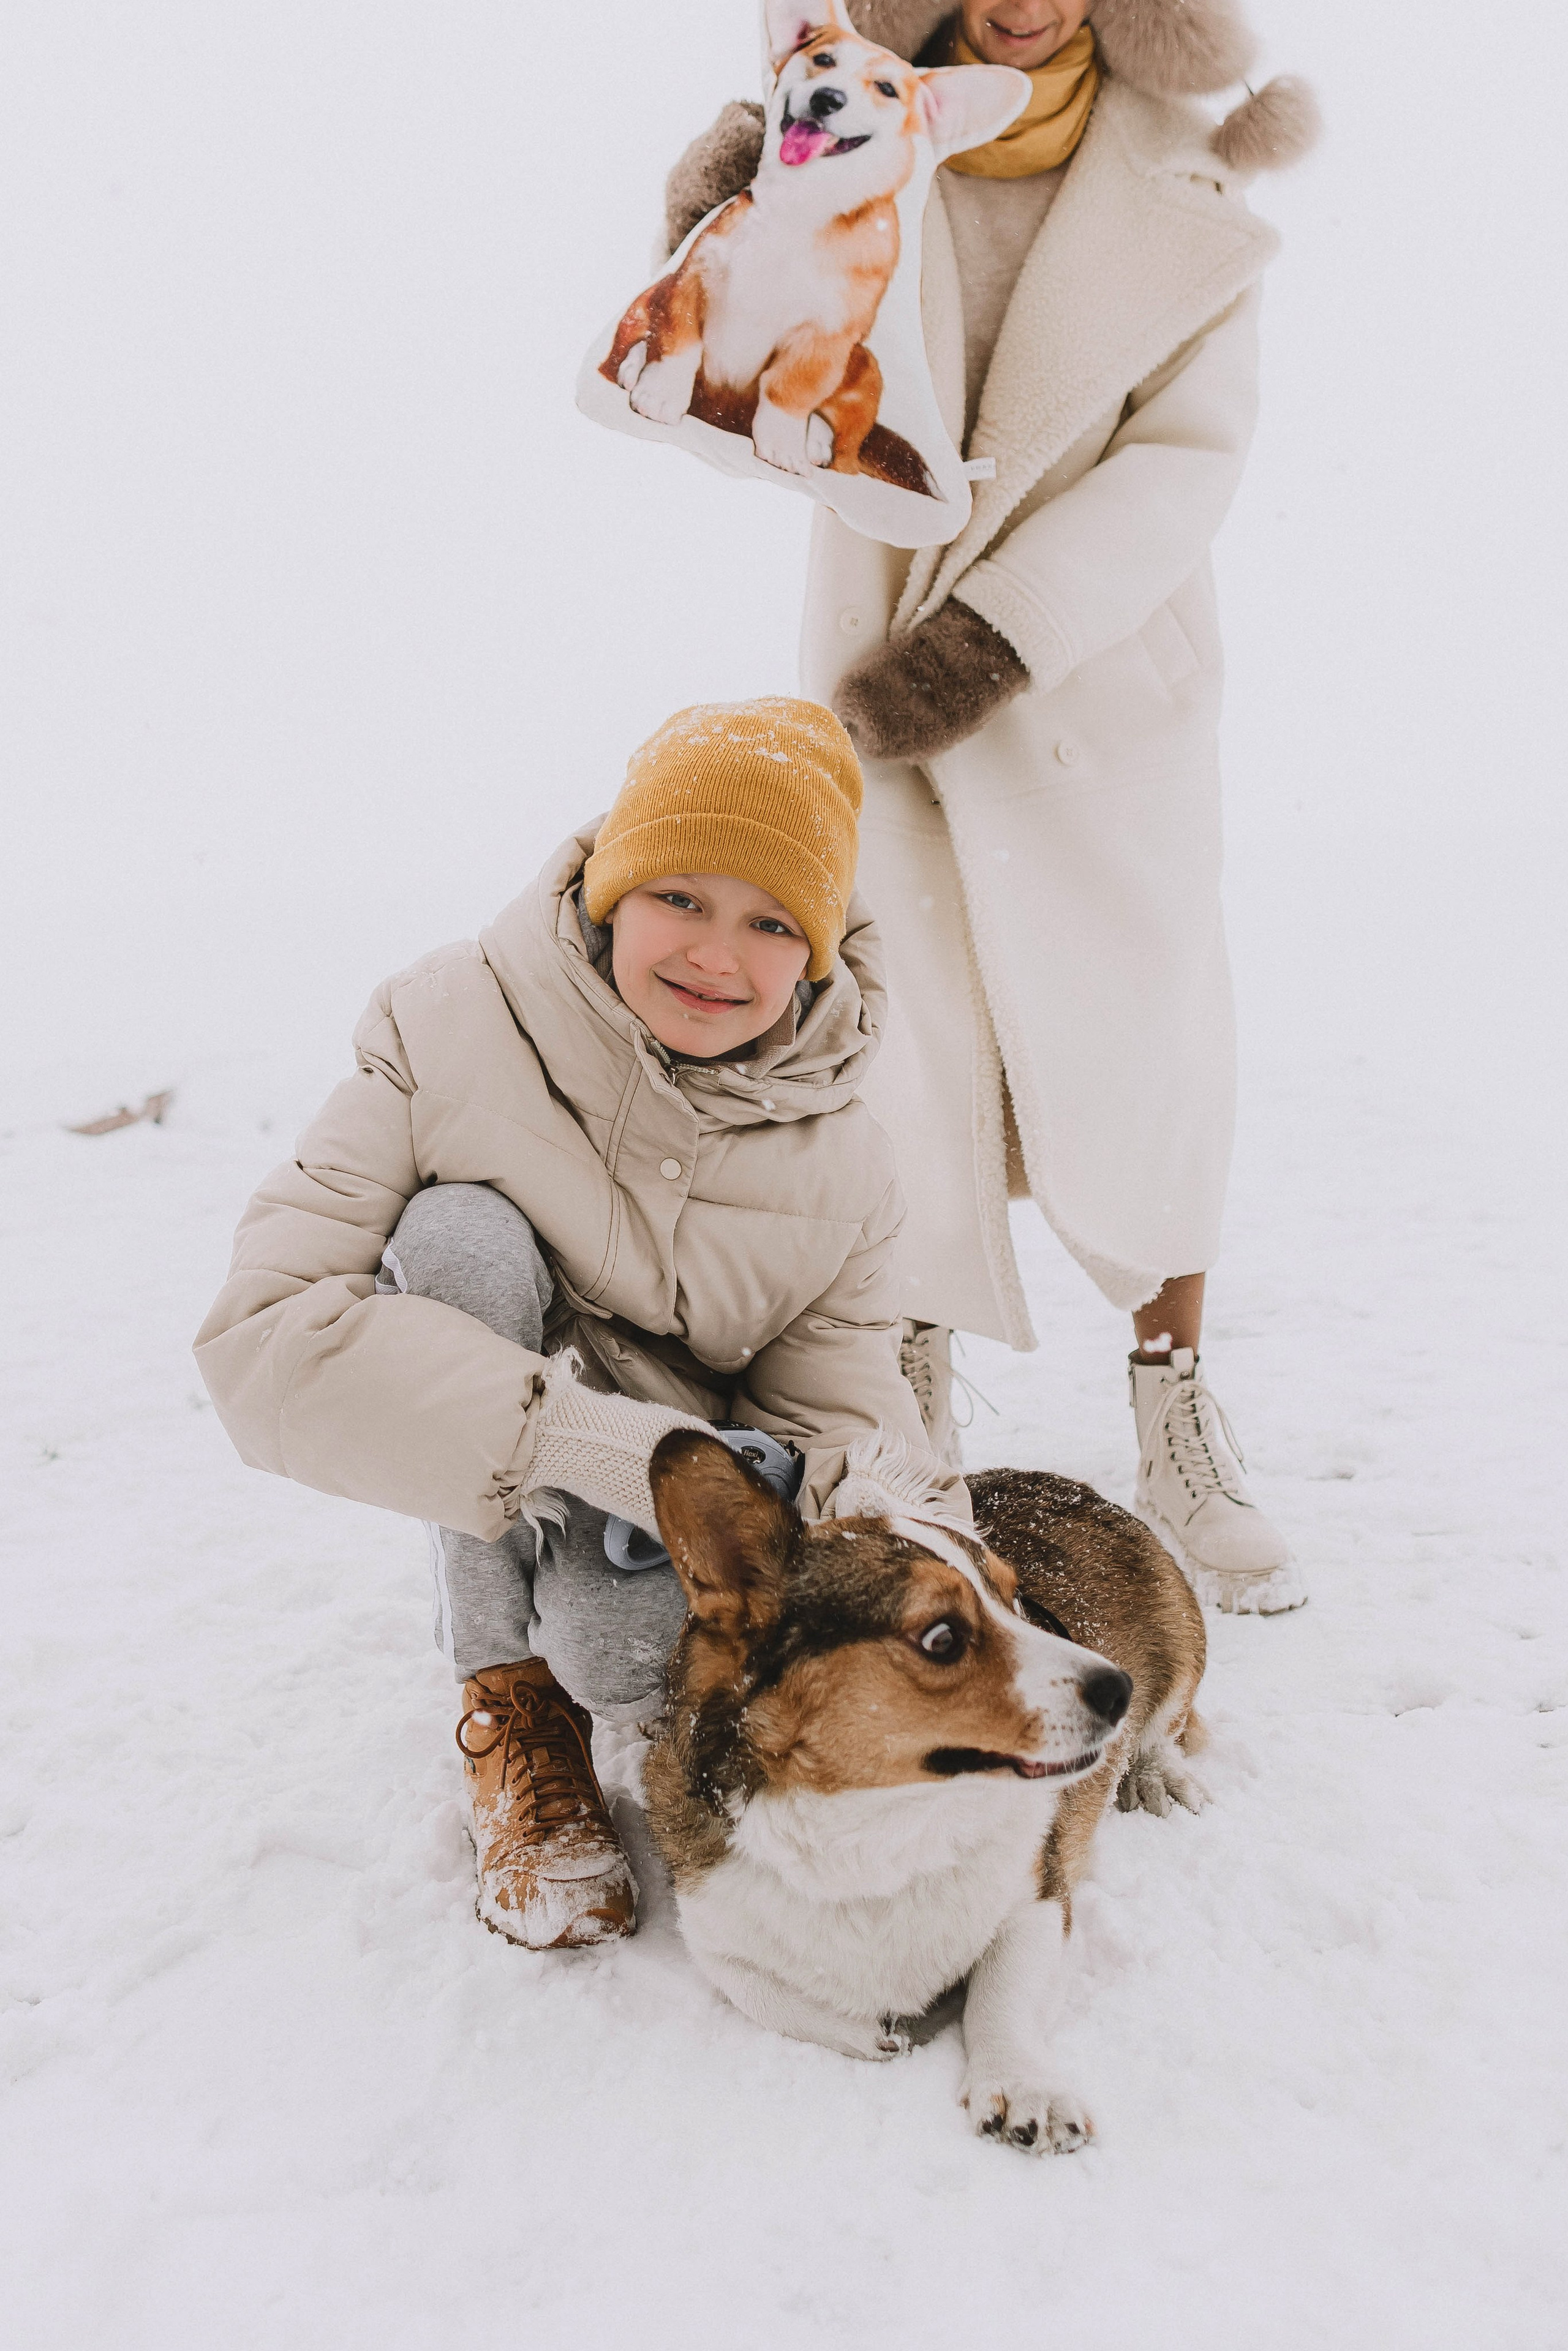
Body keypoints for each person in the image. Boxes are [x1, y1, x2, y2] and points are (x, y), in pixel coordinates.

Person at [661, 0, 1317, 1615]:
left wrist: (997, 635)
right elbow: (760, 423)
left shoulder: (1195, 174)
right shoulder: (865, 124)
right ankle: (914, 1402)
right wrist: (730, 244)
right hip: (882, 682)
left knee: (1150, 1044)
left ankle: (1173, 1397)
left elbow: (1191, 460)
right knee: (907, 1052)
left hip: (1096, 673)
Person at [195, 698, 962, 1949]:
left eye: (773, 921)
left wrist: (911, 1541)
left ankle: (593, 1674)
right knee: (456, 1237)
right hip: (527, 1414)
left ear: (814, 955)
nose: (719, 951)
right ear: (612, 892)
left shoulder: (847, 1162)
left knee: (626, 1657)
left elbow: (839, 1401)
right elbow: (260, 1336)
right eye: (682, 897)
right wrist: (600, 1448)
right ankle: (508, 1702)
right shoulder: (445, 1022)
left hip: (685, 1498)